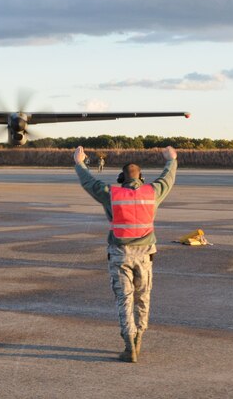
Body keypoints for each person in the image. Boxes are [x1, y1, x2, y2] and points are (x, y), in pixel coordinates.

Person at [72, 145, 177, 363]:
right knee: (143, 297)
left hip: (120, 253)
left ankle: (129, 344)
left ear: (121, 178)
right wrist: (171, 160)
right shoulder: (152, 191)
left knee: (124, 299)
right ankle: (139, 336)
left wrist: (79, 162)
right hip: (145, 254)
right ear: (142, 177)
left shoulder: (112, 193)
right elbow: (168, 178)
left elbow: (89, 183)